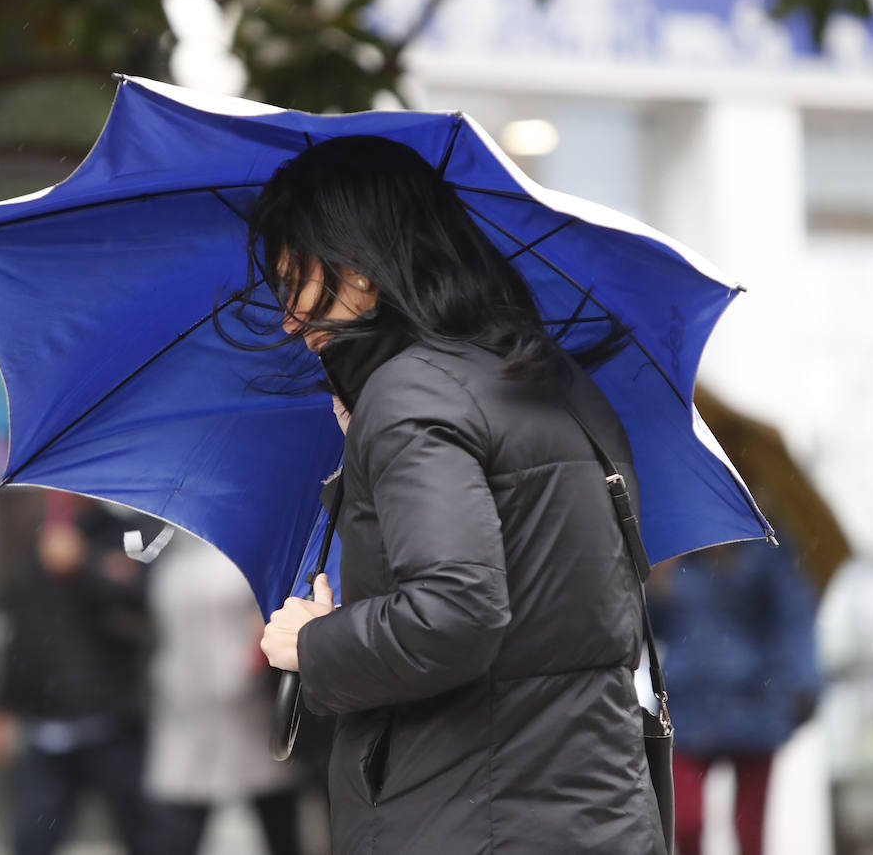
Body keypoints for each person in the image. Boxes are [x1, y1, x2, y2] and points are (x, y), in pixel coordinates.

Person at [240, 136, 666, 853]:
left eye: (295, 282)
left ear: (360, 275)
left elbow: (457, 614)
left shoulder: (412, 395)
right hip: (590, 811)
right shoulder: (545, 379)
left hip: (469, 816)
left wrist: (313, 643)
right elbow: (531, 613)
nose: (288, 319)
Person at [0, 492, 155, 855]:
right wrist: (1, 705)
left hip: (113, 721)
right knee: (32, 837)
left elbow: (143, 602)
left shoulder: (125, 535)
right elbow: (21, 631)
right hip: (46, 726)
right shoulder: (33, 536)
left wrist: (85, 563)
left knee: (142, 833)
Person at [648, 537, 821, 855]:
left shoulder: (770, 553)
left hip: (753, 703)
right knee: (685, 822)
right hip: (688, 708)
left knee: (750, 832)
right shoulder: (675, 557)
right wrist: (652, 589)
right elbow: (651, 629)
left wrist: (803, 684)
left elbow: (794, 619)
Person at [143, 532, 305, 855]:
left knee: (275, 815)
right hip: (184, 705)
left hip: (246, 703)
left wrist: (252, 663)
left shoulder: (252, 555)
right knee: (180, 823)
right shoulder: (170, 557)